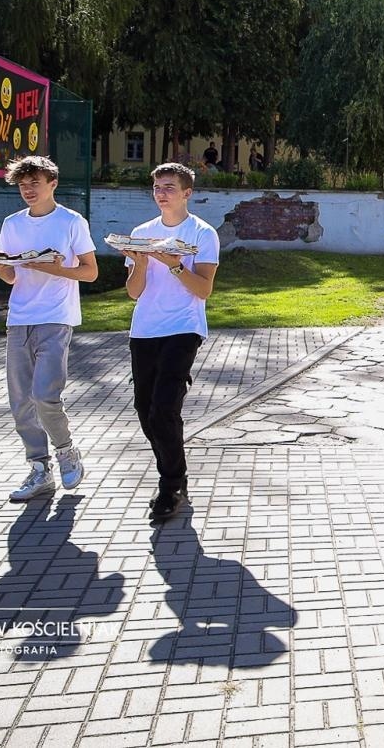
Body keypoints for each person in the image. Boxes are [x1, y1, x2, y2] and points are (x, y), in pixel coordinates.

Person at [0, 156, 99, 502]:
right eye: (22, 185)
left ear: (53, 183)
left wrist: (53, 268)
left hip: (56, 317)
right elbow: (12, 275)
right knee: (20, 401)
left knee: (44, 396)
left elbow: (90, 272)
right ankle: (38, 468)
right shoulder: (12, 223)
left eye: (35, 183)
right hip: (19, 318)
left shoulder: (71, 221)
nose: (28, 190)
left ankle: (66, 450)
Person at [119, 163, 220, 523]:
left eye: (169, 187)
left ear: (187, 193)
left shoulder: (202, 233)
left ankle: (171, 484)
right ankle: (174, 471)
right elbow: (134, 293)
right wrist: (142, 261)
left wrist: (176, 265)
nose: (161, 193)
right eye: (157, 187)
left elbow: (203, 290)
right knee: (145, 412)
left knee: (164, 408)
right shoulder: (142, 232)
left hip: (183, 327)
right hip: (144, 330)